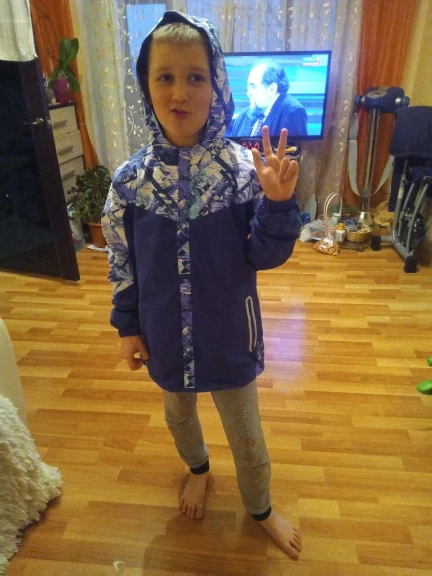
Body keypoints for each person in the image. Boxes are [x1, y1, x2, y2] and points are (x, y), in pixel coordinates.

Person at [102, 11, 303, 560]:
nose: (180, 92)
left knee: (247, 436)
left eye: (195, 76)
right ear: (145, 85)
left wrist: (277, 205)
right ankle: (197, 470)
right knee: (178, 414)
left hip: (228, 336)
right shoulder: (130, 183)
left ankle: (260, 508)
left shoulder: (243, 172)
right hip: (165, 336)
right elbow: (121, 260)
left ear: (217, 84)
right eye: (165, 77)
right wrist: (127, 327)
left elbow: (265, 254)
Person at [227, 60, 308, 139]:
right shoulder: (243, 116)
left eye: (253, 86)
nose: (248, 93)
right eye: (249, 86)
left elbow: (298, 147)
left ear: (272, 89)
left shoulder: (293, 112)